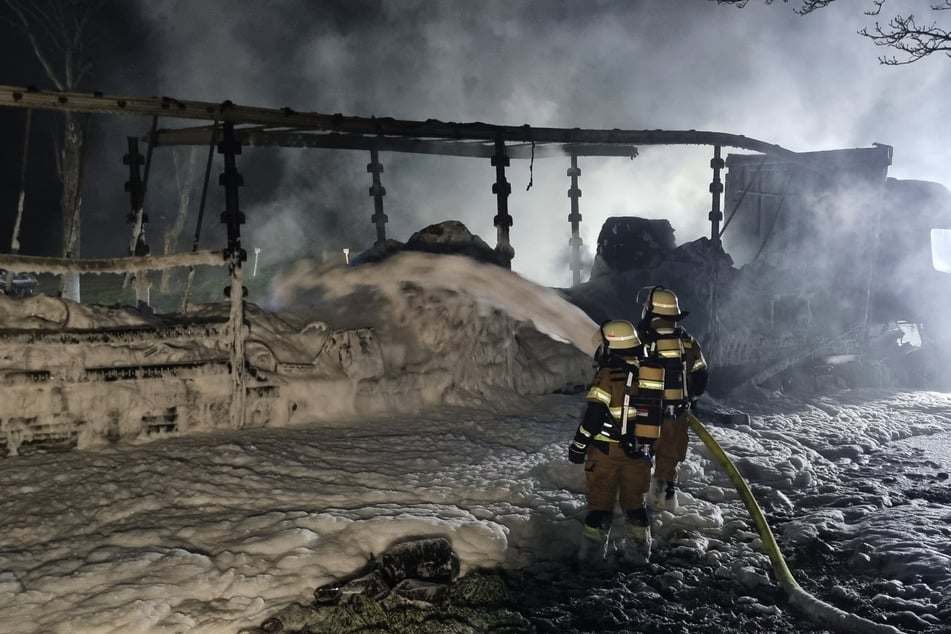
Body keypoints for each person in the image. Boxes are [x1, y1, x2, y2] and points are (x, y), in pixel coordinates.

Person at [567, 320, 665, 565]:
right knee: (635, 506)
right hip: (640, 453)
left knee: (599, 507)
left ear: (612, 345)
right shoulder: (648, 371)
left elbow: (594, 417)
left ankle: (590, 558)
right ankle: (640, 555)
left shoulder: (609, 375)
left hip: (606, 452)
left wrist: (578, 446)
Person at [635, 286, 709, 512]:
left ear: (651, 312)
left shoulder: (642, 341)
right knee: (668, 460)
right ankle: (663, 504)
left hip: (646, 416)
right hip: (677, 416)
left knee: (639, 460)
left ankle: (633, 508)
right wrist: (692, 399)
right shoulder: (687, 341)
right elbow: (701, 373)